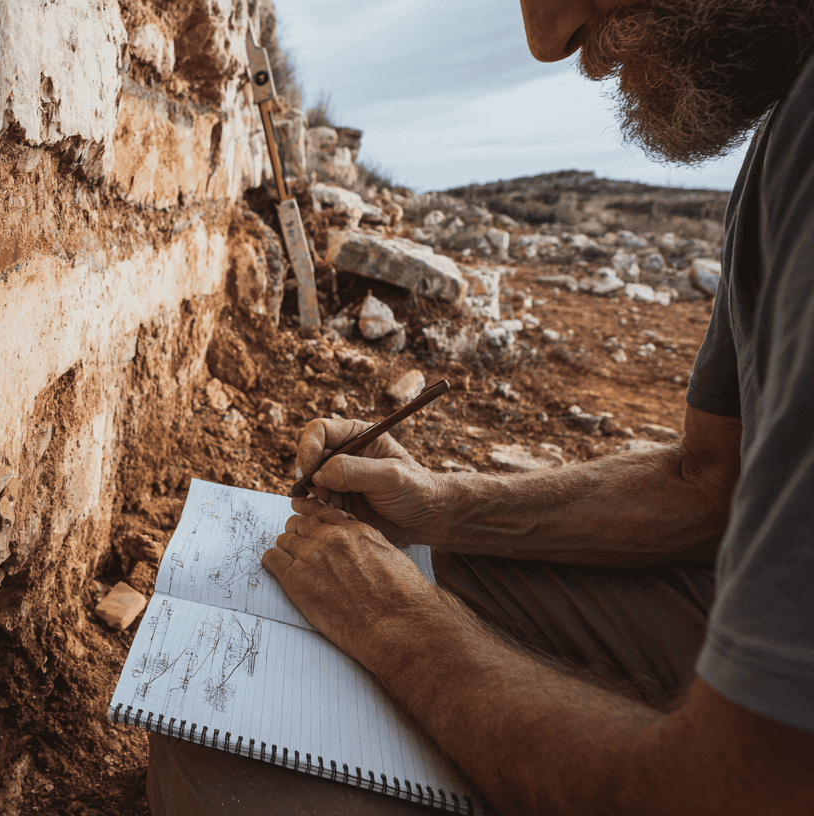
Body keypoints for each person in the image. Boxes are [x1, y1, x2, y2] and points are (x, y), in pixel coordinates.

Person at [148, 0, 814, 812]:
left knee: (229, 779)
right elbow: (708, 481)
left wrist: (399, 626)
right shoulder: (786, 139)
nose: (548, 41)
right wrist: (439, 505)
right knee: (424, 565)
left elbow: (740, 789)